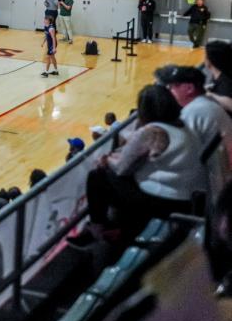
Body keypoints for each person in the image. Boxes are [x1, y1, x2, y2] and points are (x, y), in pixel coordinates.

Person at [86, 85, 207, 234]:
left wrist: (106, 159)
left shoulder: (150, 132)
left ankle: (98, 229)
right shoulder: (184, 124)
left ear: (144, 110)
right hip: (193, 199)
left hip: (169, 204)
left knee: (97, 177)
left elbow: (121, 168)